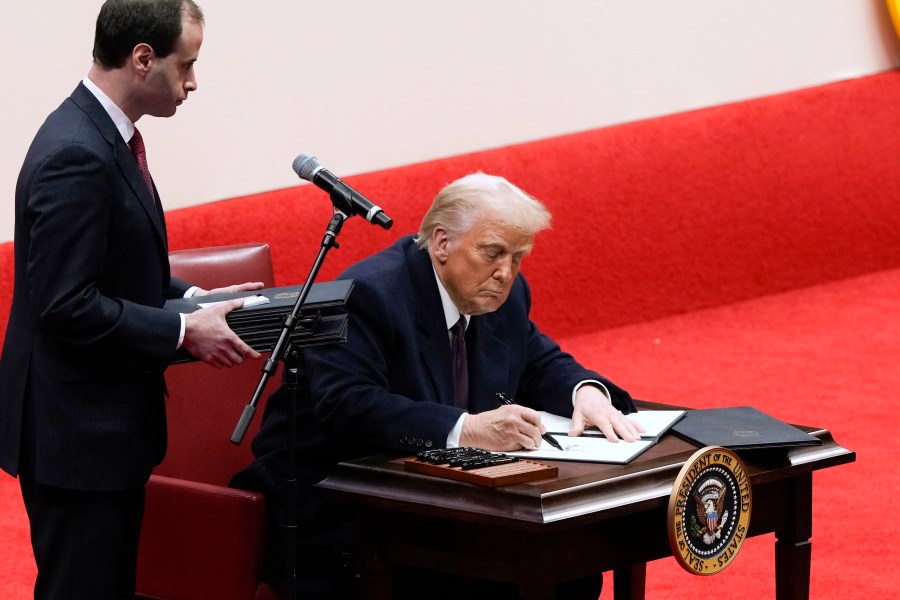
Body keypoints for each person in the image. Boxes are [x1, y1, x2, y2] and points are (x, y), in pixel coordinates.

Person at [232, 172, 643, 599]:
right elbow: (349, 404)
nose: (506, 272)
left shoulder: (501, 293)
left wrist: (587, 393)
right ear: (442, 244)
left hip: (436, 498)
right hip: (338, 505)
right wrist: (467, 429)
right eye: (493, 253)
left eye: (518, 256)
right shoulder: (369, 294)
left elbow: (538, 363)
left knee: (568, 568)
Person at [0, 1, 262, 598]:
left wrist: (193, 297)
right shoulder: (78, 152)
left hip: (97, 432)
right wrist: (181, 332)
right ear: (143, 58)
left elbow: (112, 268)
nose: (193, 83)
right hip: (77, 437)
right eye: (187, 65)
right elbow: (65, 303)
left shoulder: (100, 135)